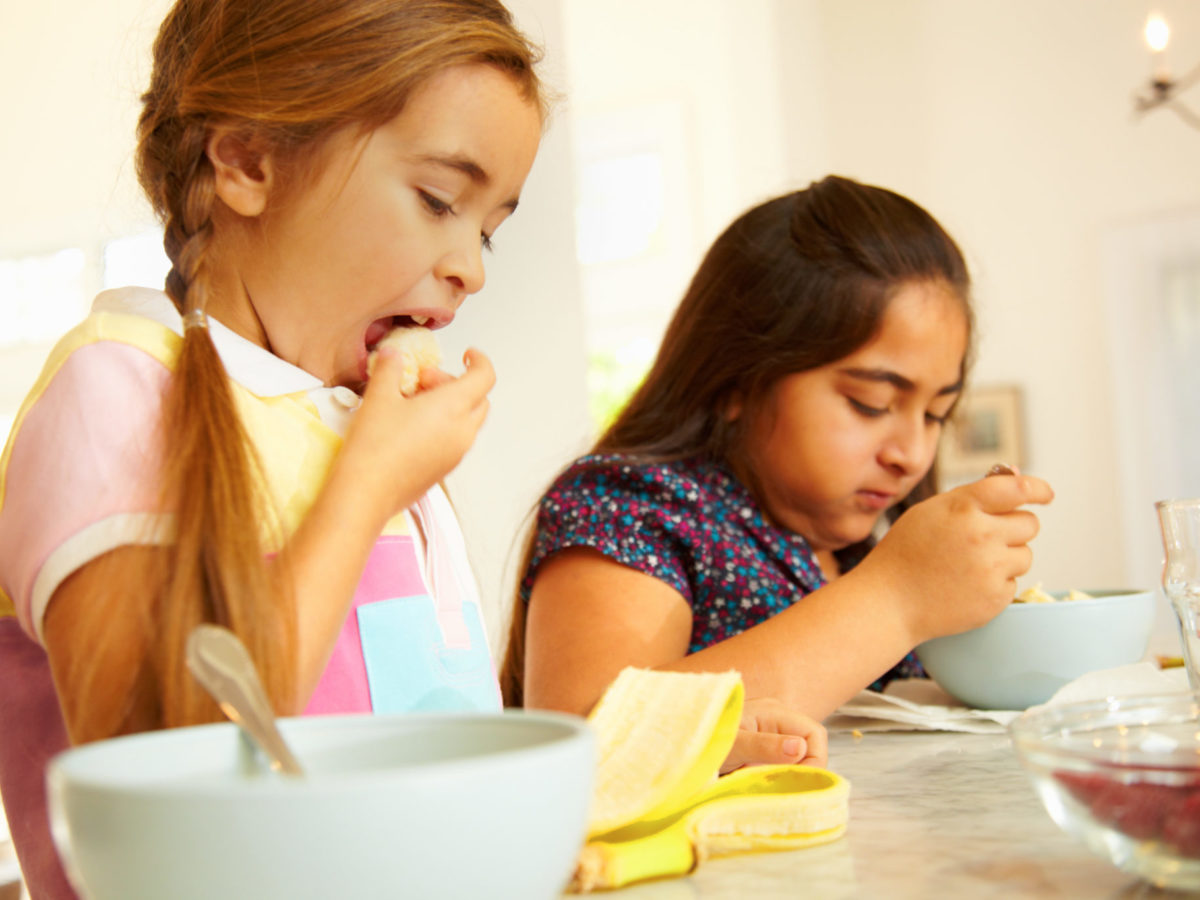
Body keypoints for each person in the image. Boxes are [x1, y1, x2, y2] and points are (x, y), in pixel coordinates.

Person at [0, 2, 545, 896]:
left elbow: (416, 756)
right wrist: (366, 488)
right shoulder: (119, 389)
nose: (472, 269)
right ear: (249, 162)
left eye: (486, 229)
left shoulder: (355, 425)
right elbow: (166, 773)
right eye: (440, 199)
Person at [502, 175, 1055, 726]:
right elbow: (591, 743)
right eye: (870, 402)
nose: (912, 454)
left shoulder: (857, 552)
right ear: (739, 379)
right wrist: (895, 598)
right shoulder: (629, 507)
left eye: (936, 414)